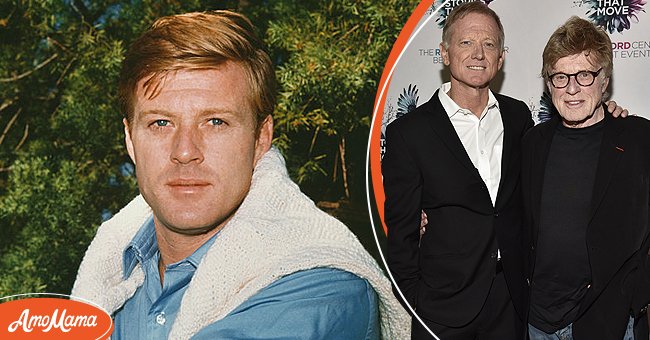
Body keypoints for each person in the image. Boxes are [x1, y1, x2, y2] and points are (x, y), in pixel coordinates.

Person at [72, 10, 410, 339]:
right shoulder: (113, 275)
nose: (185, 151)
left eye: (215, 122)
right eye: (161, 123)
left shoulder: (321, 288)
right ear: (130, 139)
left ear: (261, 138)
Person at [382, 3, 626, 339]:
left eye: (489, 44)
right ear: (445, 53)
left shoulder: (518, 119)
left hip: (512, 303)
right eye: (466, 42)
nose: (478, 54)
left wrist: (607, 114)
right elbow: (400, 237)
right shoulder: (408, 134)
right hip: (442, 309)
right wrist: (419, 304)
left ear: (500, 58)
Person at [521, 16, 650, 340]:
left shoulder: (639, 139)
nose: (573, 88)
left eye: (585, 75)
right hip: (537, 321)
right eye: (561, 77)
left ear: (604, 80)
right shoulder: (532, 143)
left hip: (608, 321)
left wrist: (639, 294)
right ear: (549, 85)